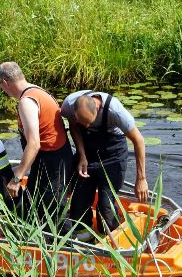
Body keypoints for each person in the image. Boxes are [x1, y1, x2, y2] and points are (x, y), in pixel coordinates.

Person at [61, 90, 149, 240]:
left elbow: (139, 141)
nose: (87, 126)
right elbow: (74, 127)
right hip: (87, 153)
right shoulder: (68, 105)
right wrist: (81, 156)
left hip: (113, 155)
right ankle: (85, 243)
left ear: (97, 107)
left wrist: (141, 178)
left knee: (105, 206)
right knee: (78, 204)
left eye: (90, 122)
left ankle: (109, 243)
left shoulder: (115, 110)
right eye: (83, 123)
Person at [0, 61, 72, 232]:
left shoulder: (26, 102)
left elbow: (34, 143)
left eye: (0, 85)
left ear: (5, 83)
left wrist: (17, 178)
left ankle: (69, 249)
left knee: (55, 209)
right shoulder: (38, 90)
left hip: (52, 162)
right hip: (59, 156)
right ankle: (39, 239)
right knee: (34, 201)